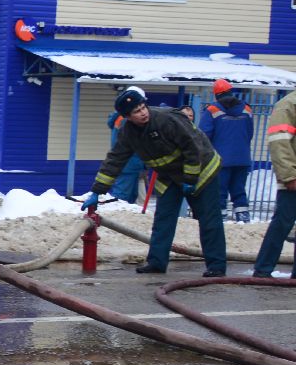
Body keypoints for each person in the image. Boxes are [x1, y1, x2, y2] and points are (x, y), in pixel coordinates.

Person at [83, 86, 226, 277]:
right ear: (127, 117)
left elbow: (193, 148)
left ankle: (216, 266)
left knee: (209, 219)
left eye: (143, 108)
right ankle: (157, 262)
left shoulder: (167, 120)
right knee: (163, 219)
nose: (143, 113)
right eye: (136, 111)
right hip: (170, 176)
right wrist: (97, 191)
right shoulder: (128, 132)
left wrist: (190, 178)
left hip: (201, 170)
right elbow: (115, 160)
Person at [252, 89, 296, 278]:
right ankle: (263, 269)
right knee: (282, 224)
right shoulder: (287, 105)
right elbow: (279, 142)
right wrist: (289, 176)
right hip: (293, 179)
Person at [199, 79, 254, 222]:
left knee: (219, 192)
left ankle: (220, 219)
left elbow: (204, 136)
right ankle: (243, 219)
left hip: (220, 160)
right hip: (242, 158)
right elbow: (249, 133)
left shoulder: (212, 110)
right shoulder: (246, 109)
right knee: (239, 191)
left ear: (216, 95)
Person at [104, 107, 144, 203]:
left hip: (131, 164)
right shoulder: (125, 120)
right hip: (129, 164)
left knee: (129, 197)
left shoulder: (121, 118)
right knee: (122, 198)